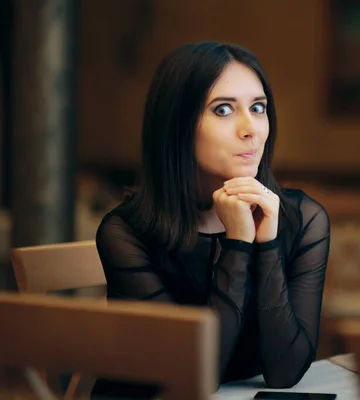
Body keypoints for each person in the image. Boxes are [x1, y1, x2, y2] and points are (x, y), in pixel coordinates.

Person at [91, 42, 330, 398]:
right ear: (178, 124)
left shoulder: (301, 218)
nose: (251, 129)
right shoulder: (125, 233)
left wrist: (267, 244)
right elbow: (194, 376)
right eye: (223, 110)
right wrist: (236, 243)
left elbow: (285, 372)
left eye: (258, 107)